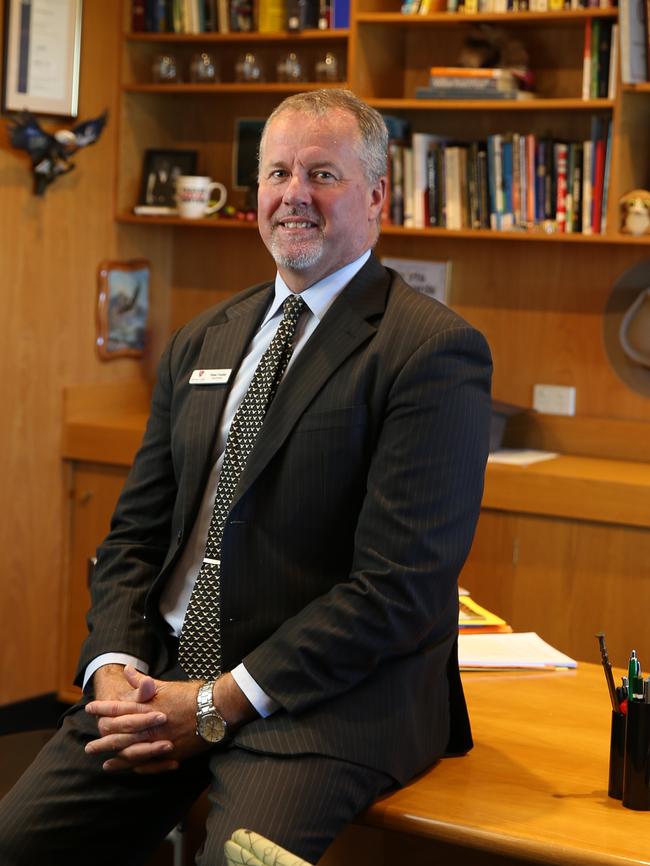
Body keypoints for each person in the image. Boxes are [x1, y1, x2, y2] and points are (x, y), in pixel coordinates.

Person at [0, 89, 492, 865]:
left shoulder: (429, 351)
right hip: (158, 680)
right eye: (277, 173)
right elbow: (136, 533)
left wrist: (218, 701)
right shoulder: (205, 338)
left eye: (322, 174)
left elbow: (399, 588)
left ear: (376, 197)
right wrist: (113, 670)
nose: (294, 194)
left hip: (320, 702)